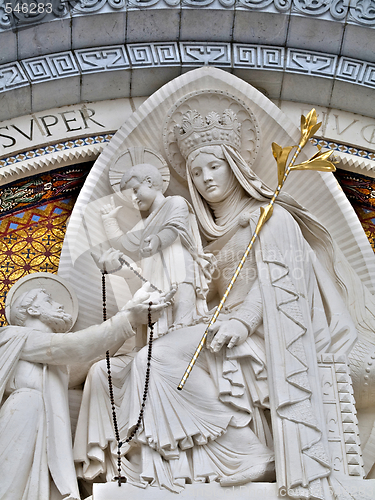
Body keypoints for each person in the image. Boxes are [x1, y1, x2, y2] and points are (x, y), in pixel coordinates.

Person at [74, 109, 374, 499]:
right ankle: (145, 469)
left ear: (234, 167)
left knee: (156, 360)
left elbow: (285, 287)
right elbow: (197, 294)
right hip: (213, 324)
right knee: (106, 373)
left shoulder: (272, 218)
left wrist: (244, 321)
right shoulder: (202, 235)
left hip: (268, 335)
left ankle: (247, 451)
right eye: (197, 173)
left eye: (214, 166)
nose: (205, 178)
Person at [0, 277, 173, 500]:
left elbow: (92, 356)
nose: (59, 305)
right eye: (49, 300)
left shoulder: (52, 366)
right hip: (21, 416)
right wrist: (127, 317)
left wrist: (131, 313)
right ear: (33, 310)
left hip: (36, 425)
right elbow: (77, 347)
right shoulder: (14, 336)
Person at [100, 163, 213, 336]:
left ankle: (184, 320)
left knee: (181, 284)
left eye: (135, 191)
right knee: (159, 296)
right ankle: (163, 330)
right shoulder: (145, 223)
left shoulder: (175, 202)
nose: (133, 199)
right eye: (129, 197)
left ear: (149, 182)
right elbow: (124, 244)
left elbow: (175, 227)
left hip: (178, 259)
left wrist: (158, 239)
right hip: (154, 269)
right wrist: (109, 221)